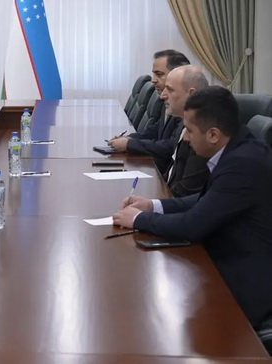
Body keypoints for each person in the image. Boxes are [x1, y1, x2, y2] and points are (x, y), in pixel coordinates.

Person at [112, 86, 272, 330]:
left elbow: (192, 225)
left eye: (189, 130)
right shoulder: (240, 146)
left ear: (213, 135)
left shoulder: (243, 163)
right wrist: (153, 205)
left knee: (157, 314)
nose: (185, 138)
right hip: (223, 255)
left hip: (241, 282)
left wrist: (139, 219)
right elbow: (207, 199)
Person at [109, 50, 190, 173]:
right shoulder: (166, 98)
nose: (153, 80)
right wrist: (129, 138)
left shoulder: (186, 107)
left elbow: (171, 146)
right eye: (154, 74)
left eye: (159, 74)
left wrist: (129, 145)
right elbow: (156, 129)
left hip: (166, 172)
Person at [159, 65, 209, 197]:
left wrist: (154, 202)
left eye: (169, 89)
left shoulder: (204, 133)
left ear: (191, 94)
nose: (163, 95)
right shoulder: (183, 122)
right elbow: (173, 172)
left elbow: (187, 191)